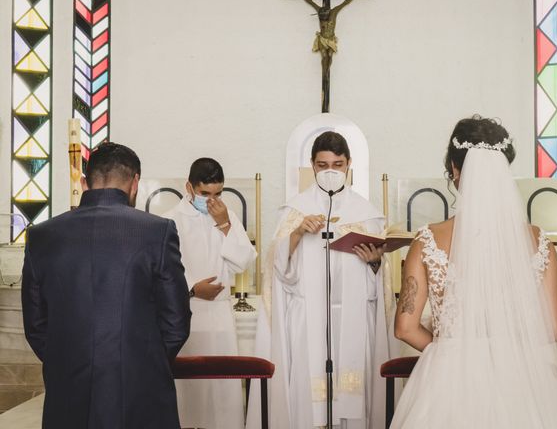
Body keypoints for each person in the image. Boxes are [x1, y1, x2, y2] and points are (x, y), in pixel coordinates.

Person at [391, 116, 557, 428]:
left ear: (454, 169)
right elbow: (554, 329)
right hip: (518, 377)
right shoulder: (539, 242)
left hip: (449, 379)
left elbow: (405, 327)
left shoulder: (426, 241)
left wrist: (453, 350)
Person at [21, 142, 191, 429]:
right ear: (135, 182)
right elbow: (176, 321)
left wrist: (69, 358)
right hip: (140, 392)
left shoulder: (41, 236)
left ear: (85, 182)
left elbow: (36, 325)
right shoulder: (158, 231)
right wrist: (140, 363)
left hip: (68, 389)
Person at [248, 131, 394, 429]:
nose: (330, 171)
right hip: (307, 320)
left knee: (354, 392)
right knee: (308, 396)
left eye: (337, 165)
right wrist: (298, 233)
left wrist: (376, 262)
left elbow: (382, 280)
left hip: (353, 317)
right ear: (312, 165)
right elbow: (279, 274)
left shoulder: (368, 215)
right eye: (322, 164)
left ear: (349, 164)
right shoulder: (294, 212)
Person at [165, 158, 256, 429]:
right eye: (205, 194)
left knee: (221, 391)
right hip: (186, 316)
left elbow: (243, 261)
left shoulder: (227, 217)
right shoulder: (170, 220)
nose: (212, 200)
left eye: (218, 194)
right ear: (189, 188)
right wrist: (192, 289)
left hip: (220, 316)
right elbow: (163, 273)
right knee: (188, 394)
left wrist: (225, 225)